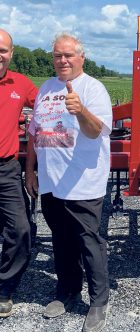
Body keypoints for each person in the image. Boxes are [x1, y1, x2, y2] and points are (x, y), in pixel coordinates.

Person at [25, 32, 112, 332]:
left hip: (83, 183)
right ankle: (68, 291)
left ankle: (99, 301)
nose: (62, 60)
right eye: (57, 55)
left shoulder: (93, 89)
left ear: (81, 57)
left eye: (68, 55)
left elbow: (96, 131)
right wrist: (30, 170)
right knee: (61, 240)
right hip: (52, 183)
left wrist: (80, 110)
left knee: (89, 242)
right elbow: (35, 134)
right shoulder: (47, 88)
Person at [0, 28, 37, 317]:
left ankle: (4, 289)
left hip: (6, 170)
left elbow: (49, 108)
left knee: (21, 230)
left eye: (3, 50)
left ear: (11, 54)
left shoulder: (21, 84)